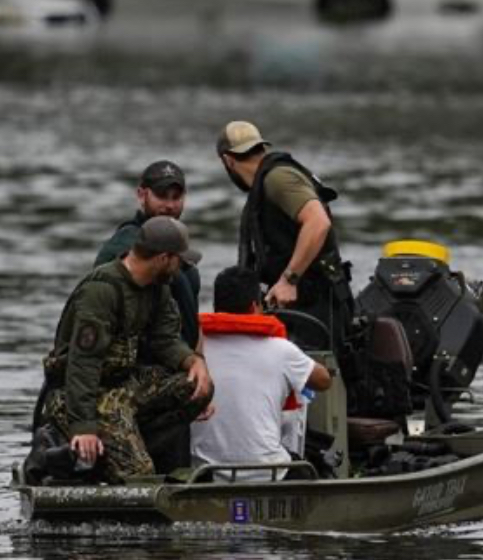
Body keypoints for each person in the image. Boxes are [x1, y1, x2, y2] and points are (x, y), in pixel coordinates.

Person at [36, 216, 214, 483]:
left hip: (124, 386)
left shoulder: (158, 288)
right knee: (139, 476)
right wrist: (83, 426)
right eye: (179, 260)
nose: (181, 269)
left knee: (196, 388)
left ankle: (125, 445)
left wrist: (193, 360)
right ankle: (84, 455)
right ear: (164, 258)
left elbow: (166, 340)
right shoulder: (102, 290)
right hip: (86, 395)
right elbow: (83, 364)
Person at [93, 160, 203, 473]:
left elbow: (190, 319)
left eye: (176, 197)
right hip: (136, 382)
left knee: (175, 467)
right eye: (161, 196)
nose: (169, 205)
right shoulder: (129, 249)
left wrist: (199, 365)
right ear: (142, 195)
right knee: (145, 473)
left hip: (171, 380)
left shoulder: (177, 248)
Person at [216, 121, 353, 354]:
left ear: (228, 160)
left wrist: (289, 280)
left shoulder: (277, 179)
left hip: (319, 306)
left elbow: (318, 222)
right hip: (303, 307)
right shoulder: (266, 182)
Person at [191, 266, 331, 480]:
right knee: (312, 468)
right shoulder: (281, 350)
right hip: (269, 473)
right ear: (255, 305)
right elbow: (323, 381)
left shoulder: (194, 350)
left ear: (215, 306)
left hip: (205, 474)